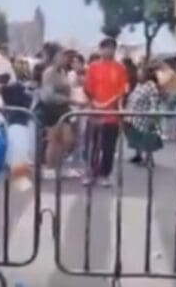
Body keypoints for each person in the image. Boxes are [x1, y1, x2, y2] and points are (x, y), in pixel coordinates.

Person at [83, 38, 128, 186]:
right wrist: (94, 102)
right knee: (92, 146)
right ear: (100, 49)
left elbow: (122, 90)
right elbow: (88, 88)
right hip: (95, 114)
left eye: (111, 48)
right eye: (105, 48)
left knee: (108, 147)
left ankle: (105, 174)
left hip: (112, 115)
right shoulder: (93, 67)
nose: (108, 51)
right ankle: (90, 173)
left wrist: (112, 103)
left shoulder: (120, 69)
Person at [39, 43, 77, 179]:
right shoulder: (49, 73)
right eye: (61, 55)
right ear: (54, 57)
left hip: (63, 109)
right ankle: (50, 168)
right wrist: (69, 100)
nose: (64, 58)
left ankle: (59, 165)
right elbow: (48, 95)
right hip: (52, 109)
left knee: (67, 139)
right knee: (53, 139)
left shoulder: (61, 71)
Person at [124, 66, 162, 165]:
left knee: (147, 137)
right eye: (138, 73)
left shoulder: (151, 86)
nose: (138, 75)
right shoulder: (139, 85)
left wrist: (153, 116)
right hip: (133, 115)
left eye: (140, 73)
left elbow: (155, 101)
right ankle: (138, 155)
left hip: (145, 116)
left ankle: (149, 158)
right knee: (135, 136)